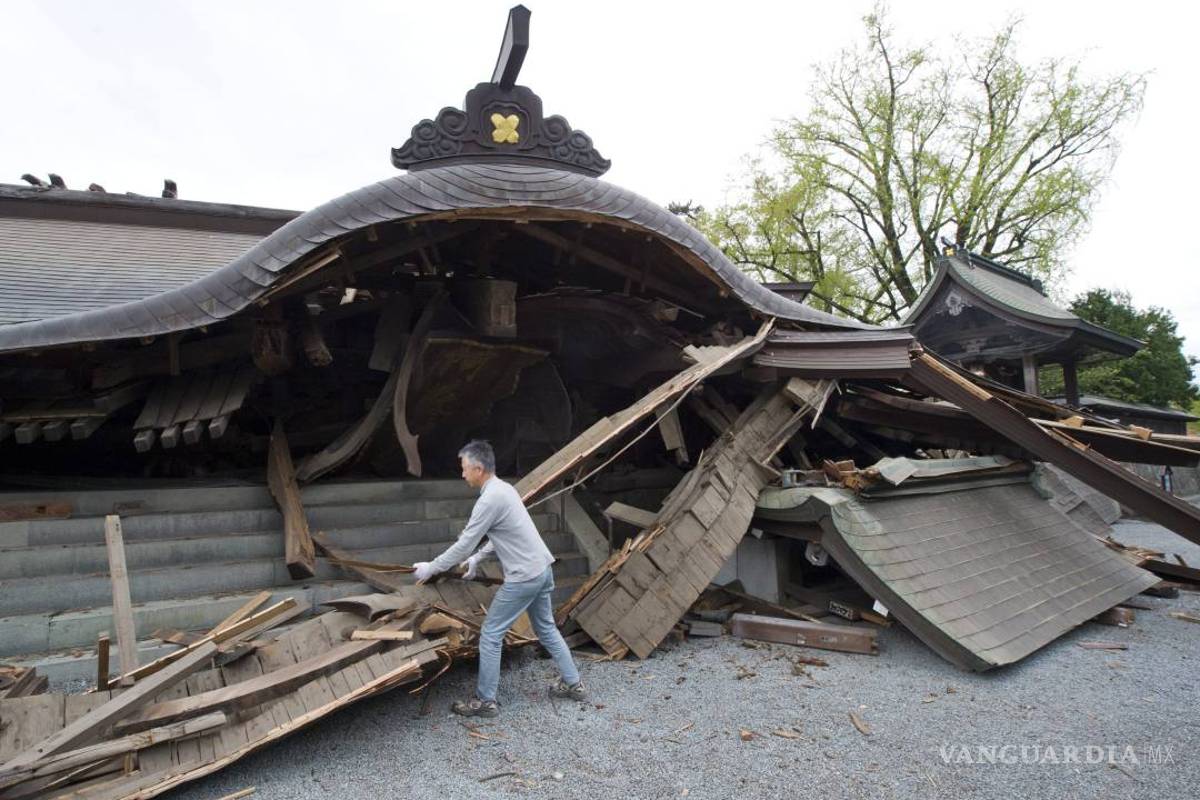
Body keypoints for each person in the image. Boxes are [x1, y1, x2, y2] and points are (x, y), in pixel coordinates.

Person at [412, 440, 585, 717]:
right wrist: (478, 559)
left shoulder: (489, 499)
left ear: (479, 469)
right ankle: (574, 684)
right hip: (542, 569)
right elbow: (504, 532)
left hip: (524, 577)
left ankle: (485, 701)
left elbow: (464, 544)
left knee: (491, 635)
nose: (462, 474)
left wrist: (432, 567)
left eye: (465, 468)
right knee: (547, 629)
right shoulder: (505, 490)